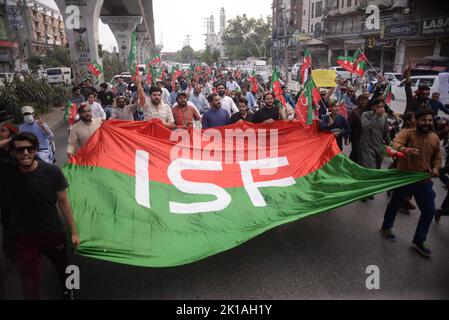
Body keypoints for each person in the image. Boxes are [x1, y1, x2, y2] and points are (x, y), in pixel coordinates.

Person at [0, 133, 80, 299]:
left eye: (30, 149)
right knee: (29, 283)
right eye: (20, 150)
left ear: (36, 150)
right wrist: (10, 140)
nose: (25, 153)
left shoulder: (52, 172)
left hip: (52, 233)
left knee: (65, 268)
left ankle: (71, 291)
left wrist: (73, 231)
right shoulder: (8, 171)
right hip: (23, 239)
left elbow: (64, 202)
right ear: (13, 153)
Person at [380, 108, 442, 258]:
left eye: (429, 120)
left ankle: (419, 240)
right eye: (424, 120)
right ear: (416, 121)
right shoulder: (407, 133)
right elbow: (394, 144)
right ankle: (386, 228)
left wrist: (436, 168)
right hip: (404, 176)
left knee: (429, 210)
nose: (427, 123)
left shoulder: (434, 138)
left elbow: (437, 157)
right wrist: (405, 149)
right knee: (395, 203)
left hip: (423, 179)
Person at [348, 94, 370, 164]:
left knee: (355, 154)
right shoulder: (354, 112)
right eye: (362, 100)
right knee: (357, 153)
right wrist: (347, 137)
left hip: (363, 137)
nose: (364, 102)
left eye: (365, 100)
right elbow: (348, 125)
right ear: (358, 101)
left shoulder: (367, 112)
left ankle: (348, 165)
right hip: (355, 137)